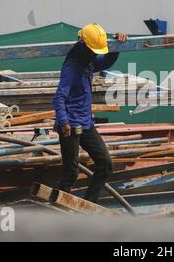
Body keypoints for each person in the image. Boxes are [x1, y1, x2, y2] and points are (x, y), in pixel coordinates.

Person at [53, 23, 127, 203]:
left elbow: (104, 62)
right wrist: (64, 123)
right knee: (70, 172)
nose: (95, 53)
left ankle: (88, 205)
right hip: (70, 125)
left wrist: (116, 47)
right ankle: (60, 211)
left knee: (105, 164)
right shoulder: (72, 66)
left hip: (85, 123)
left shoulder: (88, 60)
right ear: (84, 44)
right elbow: (59, 98)